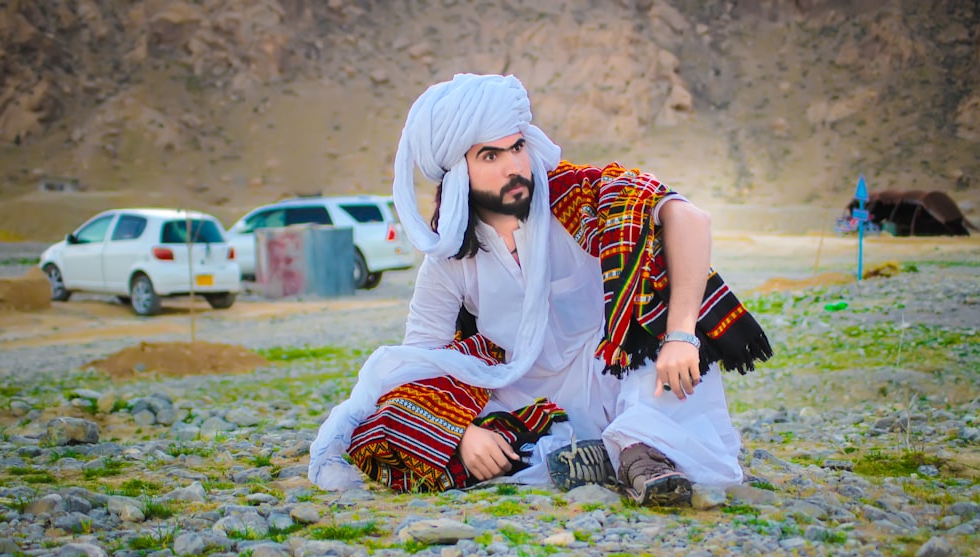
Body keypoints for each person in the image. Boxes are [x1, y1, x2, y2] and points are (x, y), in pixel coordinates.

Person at [308, 73, 772, 505]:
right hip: (524, 392)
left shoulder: (574, 195)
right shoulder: (450, 259)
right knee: (394, 414)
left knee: (658, 335)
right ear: (458, 173)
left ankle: (637, 454)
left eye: (517, 147)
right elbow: (419, 358)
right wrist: (461, 430)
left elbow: (689, 218)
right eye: (490, 156)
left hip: (610, 373)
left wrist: (680, 336)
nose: (514, 166)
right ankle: (598, 455)